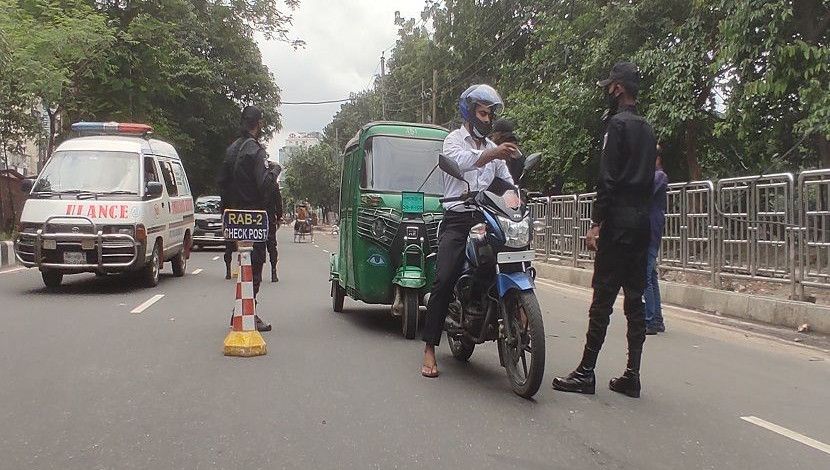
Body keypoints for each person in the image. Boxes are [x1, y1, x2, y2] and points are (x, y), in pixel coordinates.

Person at [551, 62, 656, 398]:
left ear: (618, 89)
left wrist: (596, 223)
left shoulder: (617, 125)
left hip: (619, 223)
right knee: (635, 300)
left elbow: (607, 179)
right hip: (643, 222)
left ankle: (586, 371)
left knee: (603, 300)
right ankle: (632, 374)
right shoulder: (648, 128)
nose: (608, 91)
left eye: (610, 86)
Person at [420, 84, 520, 378]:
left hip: (488, 217)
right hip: (458, 218)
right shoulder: (453, 141)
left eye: (490, 115)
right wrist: (493, 155)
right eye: (482, 113)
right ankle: (428, 347)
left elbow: (506, 181)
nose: (487, 120)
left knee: (512, 258)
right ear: (469, 112)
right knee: (445, 277)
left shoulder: (493, 149)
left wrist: (515, 197)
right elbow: (463, 164)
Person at [216, 105, 279, 332]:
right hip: (253, 219)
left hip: (233, 218)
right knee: (255, 264)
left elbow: (222, 183)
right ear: (258, 124)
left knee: (243, 263)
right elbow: (264, 186)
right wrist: (274, 171)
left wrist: (227, 212)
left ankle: (241, 311)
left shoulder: (230, 150)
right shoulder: (256, 151)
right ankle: (245, 312)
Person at [646, 146, 668, 334]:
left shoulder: (659, 176)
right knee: (651, 277)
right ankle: (657, 319)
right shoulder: (654, 176)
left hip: (650, 231)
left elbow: (644, 193)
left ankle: (649, 320)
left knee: (643, 277)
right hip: (649, 230)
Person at [489, 118, 525, 183]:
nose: (492, 136)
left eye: (494, 133)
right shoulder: (518, 151)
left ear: (498, 134)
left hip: (505, 188)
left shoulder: (497, 150)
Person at [266, 162, 283, 282]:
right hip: (269, 219)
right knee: (272, 246)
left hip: (256, 219)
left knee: (256, 245)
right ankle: (273, 271)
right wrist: (278, 217)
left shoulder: (256, 182)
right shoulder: (273, 185)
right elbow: (279, 204)